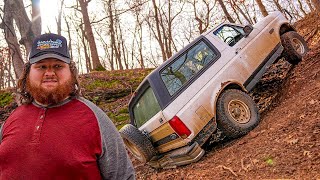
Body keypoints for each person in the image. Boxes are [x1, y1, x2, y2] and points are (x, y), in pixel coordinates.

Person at [0, 33, 135, 179]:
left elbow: (123, 176)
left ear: (71, 71)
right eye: (41, 66)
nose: (49, 73)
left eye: (58, 66)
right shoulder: (13, 118)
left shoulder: (94, 118)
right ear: (28, 73)